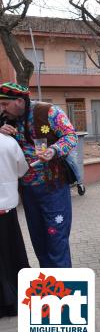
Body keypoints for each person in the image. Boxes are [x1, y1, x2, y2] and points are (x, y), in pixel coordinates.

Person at [0, 82, 77, 267]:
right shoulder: (5, 119)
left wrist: (53, 150)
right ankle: (48, 288)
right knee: (39, 241)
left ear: (19, 101)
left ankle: (63, 291)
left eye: (4, 104)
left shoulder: (48, 112)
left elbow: (70, 136)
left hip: (53, 187)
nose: (1, 109)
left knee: (56, 240)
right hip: (27, 190)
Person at [0, 132, 30, 317]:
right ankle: (19, 298)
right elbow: (22, 169)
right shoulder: (8, 142)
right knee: (13, 253)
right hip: (7, 208)